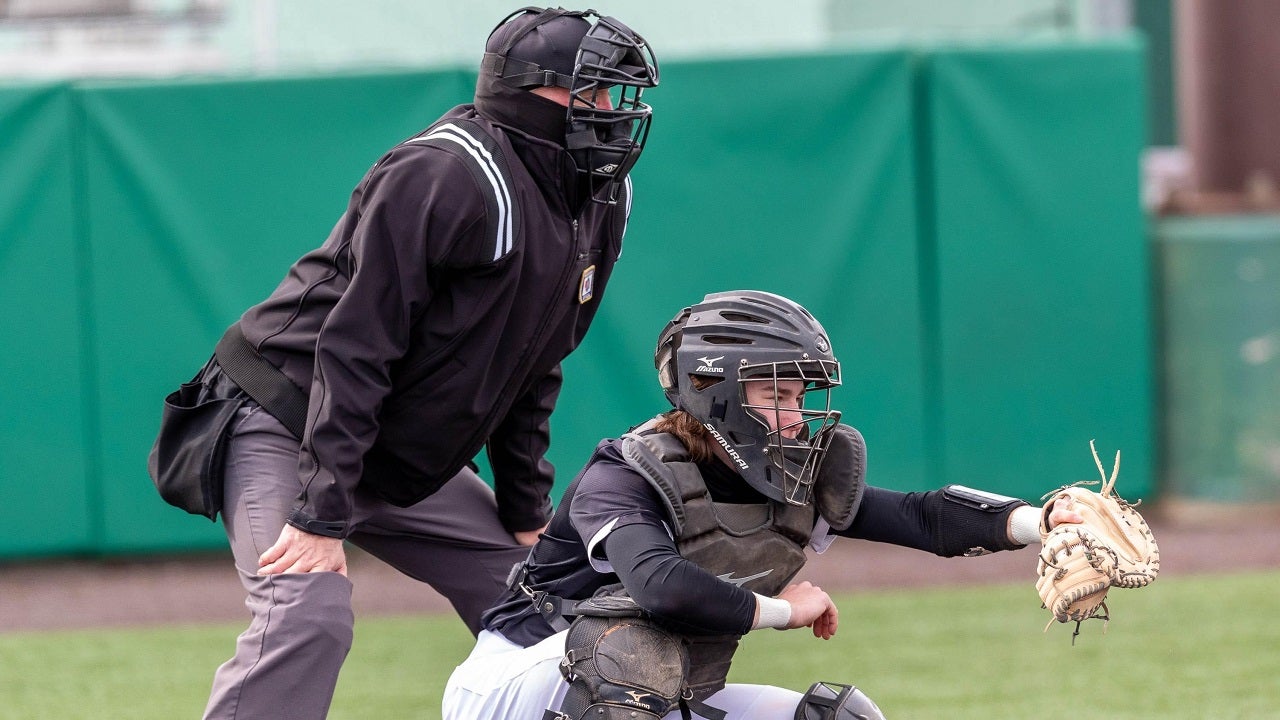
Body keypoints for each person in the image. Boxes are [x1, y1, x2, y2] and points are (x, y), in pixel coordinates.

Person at [149, 7, 659, 719]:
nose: (614, 112)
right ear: (530, 91)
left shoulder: (601, 196)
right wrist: (321, 516)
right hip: (284, 417)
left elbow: (536, 356)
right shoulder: (447, 173)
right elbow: (355, 348)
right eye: (597, 92)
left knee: (554, 612)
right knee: (307, 616)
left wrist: (524, 509)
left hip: (381, 440)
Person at [442, 290, 1085, 720]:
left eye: (798, 395)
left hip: (654, 692)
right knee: (626, 652)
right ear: (711, 390)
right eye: (775, 393)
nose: (796, 416)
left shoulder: (785, 474)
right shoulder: (626, 472)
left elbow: (918, 515)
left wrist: (1041, 521)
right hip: (513, 688)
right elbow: (659, 587)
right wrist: (782, 610)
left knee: (840, 717)